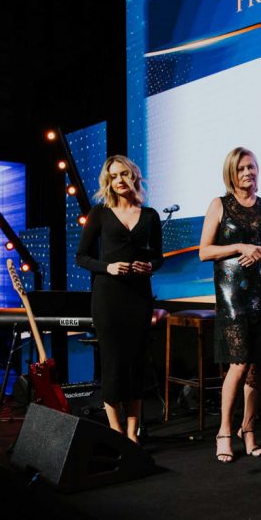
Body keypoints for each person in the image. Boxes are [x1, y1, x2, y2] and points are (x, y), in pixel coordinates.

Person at [198, 147, 261, 463]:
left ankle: (248, 429)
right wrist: (239, 246)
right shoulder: (219, 205)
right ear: (231, 174)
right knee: (238, 363)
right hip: (233, 296)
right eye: (241, 168)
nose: (248, 172)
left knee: (257, 365)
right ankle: (224, 431)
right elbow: (205, 252)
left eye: (251, 167)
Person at [76, 155, 163, 443]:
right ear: (108, 181)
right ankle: (115, 432)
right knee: (113, 364)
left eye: (124, 174)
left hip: (139, 297)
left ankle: (132, 433)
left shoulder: (150, 215)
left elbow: (158, 257)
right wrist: (108, 267)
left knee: (136, 364)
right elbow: (81, 257)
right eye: (114, 176)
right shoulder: (99, 214)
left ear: (134, 176)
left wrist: (150, 266)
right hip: (108, 298)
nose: (120, 180)